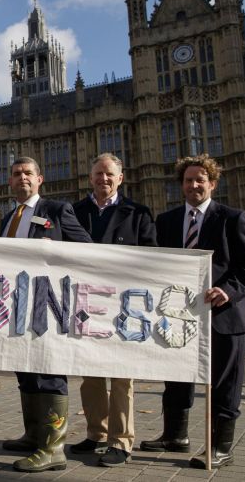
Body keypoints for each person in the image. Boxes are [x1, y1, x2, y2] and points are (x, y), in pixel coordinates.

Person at [140, 155, 245, 469]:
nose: (193, 185)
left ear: (212, 183)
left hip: (225, 316)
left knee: (225, 384)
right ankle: (175, 436)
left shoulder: (232, 217)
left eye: (200, 180)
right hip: (180, 317)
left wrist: (227, 290)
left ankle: (221, 447)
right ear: (181, 184)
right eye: (188, 180)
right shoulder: (167, 221)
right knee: (176, 379)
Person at [0, 156, 92, 473]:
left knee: (49, 373)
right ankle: (34, 434)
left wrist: (56, 251)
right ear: (9, 181)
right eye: (16, 174)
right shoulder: (8, 218)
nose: (21, 178)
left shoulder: (56, 210)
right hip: (16, 305)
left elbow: (85, 247)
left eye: (28, 173)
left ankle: (53, 449)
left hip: (48, 304)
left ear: (39, 179)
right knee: (25, 371)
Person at [69, 154, 157, 467]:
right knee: (90, 375)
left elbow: (151, 259)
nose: (103, 179)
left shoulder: (138, 213)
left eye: (109, 175)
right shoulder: (76, 211)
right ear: (90, 177)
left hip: (123, 306)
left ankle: (120, 441)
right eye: (98, 174)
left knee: (122, 378)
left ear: (120, 178)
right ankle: (96, 432)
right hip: (86, 302)